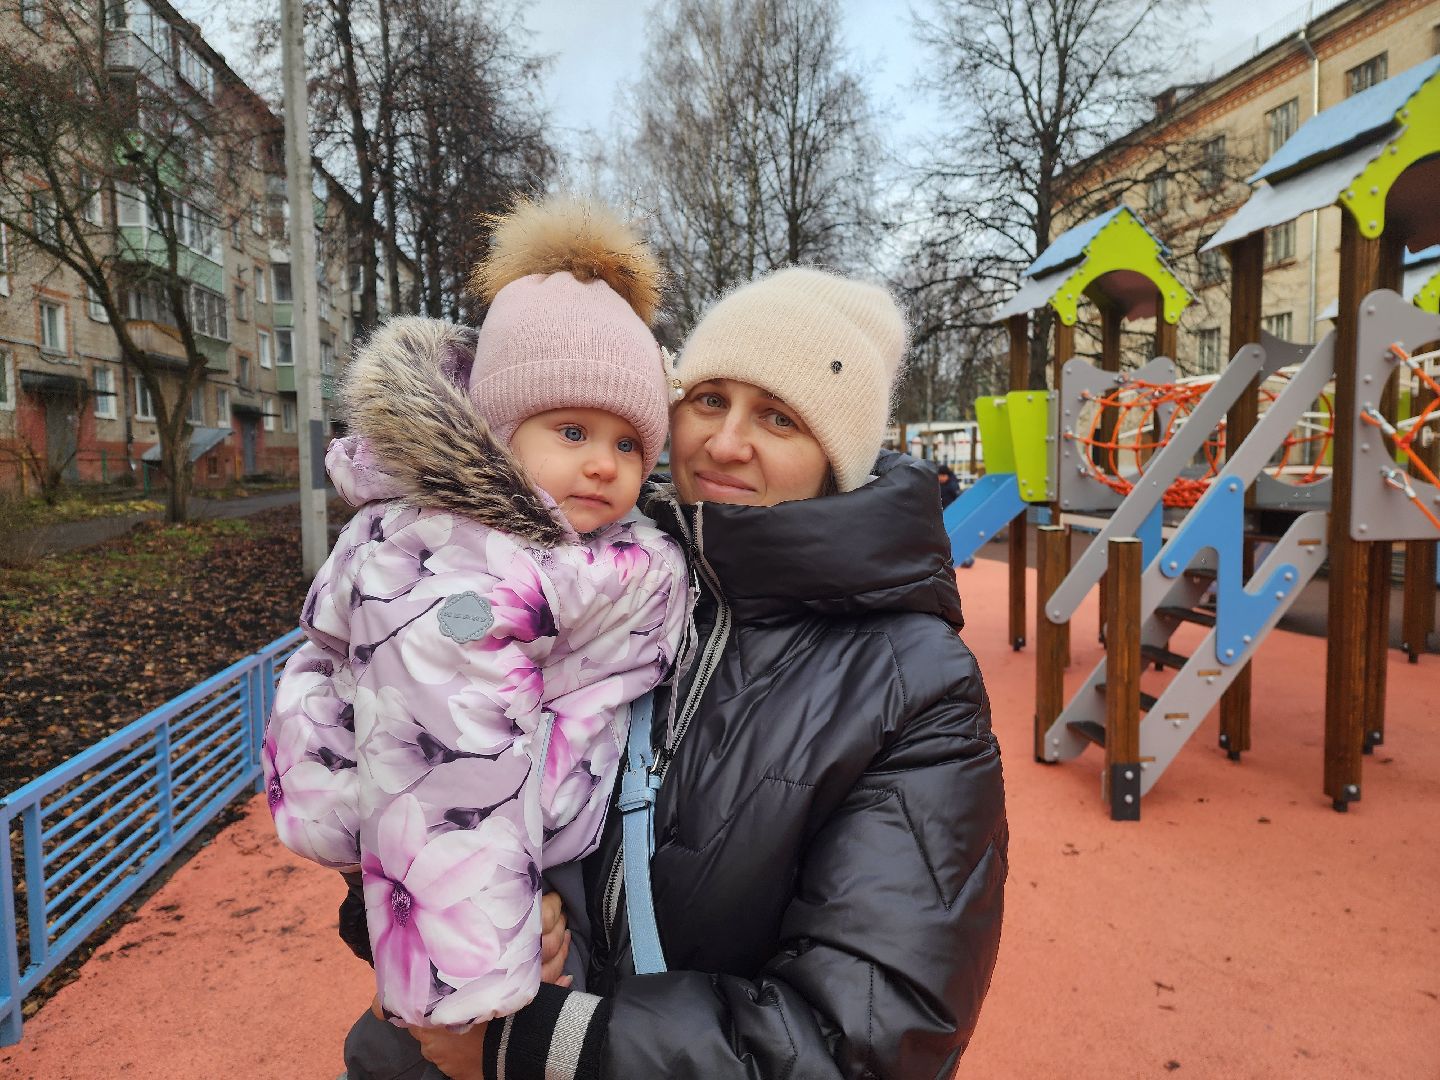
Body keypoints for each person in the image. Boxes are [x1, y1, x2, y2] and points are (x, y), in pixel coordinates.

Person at [398, 266, 1008, 1080]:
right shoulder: (574, 574)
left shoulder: (913, 685)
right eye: (710, 399)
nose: (724, 443)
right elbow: (410, 759)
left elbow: (869, 1034)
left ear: (836, 461)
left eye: (780, 418)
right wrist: (426, 913)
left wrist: (539, 1047)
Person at [262, 196, 691, 1050]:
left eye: (628, 444)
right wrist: (470, 976)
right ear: (499, 433)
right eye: (572, 431)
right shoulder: (457, 567)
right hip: (470, 919)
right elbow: (450, 758)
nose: (603, 464)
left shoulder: (594, 553)